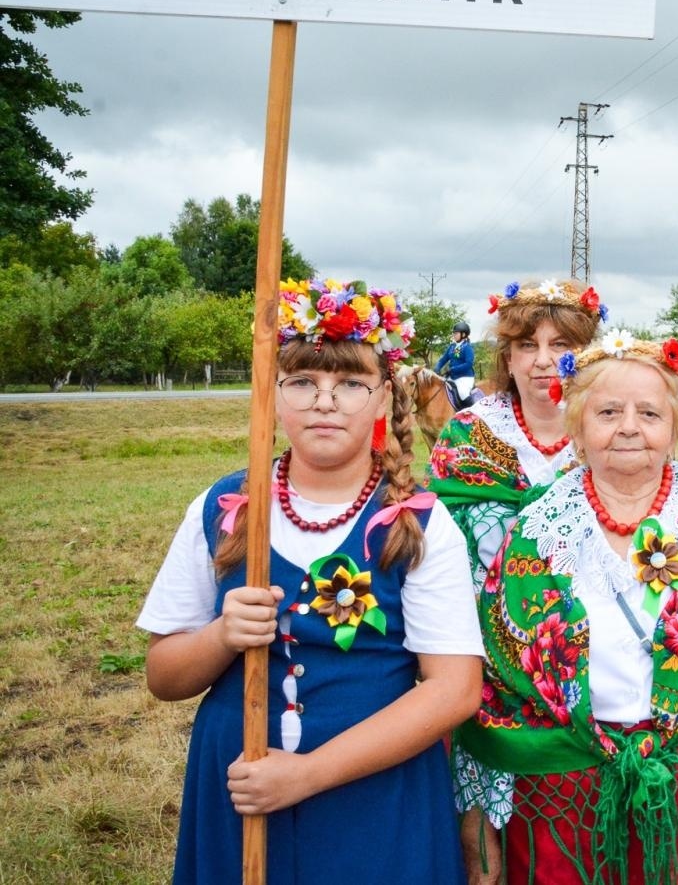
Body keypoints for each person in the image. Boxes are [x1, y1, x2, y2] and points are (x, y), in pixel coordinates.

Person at [137, 278, 484, 883]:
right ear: (273, 396)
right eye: (303, 383)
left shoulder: (420, 524)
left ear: (382, 400)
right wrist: (221, 636)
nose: (325, 402)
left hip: (377, 800)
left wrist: (306, 774)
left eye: (350, 384)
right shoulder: (224, 508)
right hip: (242, 787)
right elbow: (164, 675)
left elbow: (453, 691)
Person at [457, 330, 678, 885]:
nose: (628, 426)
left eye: (649, 412)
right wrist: (480, 828)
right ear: (576, 429)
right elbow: (496, 688)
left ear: (674, 428)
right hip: (559, 805)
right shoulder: (534, 532)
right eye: (607, 411)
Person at [428, 277, 605, 883]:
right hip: (485, 648)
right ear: (506, 356)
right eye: (526, 345)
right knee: (483, 843)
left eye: (560, 344)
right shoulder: (469, 435)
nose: (542, 360)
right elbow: (440, 547)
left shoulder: (608, 428)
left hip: (591, 652)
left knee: (572, 827)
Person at [437, 322, 478, 410]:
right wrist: (437, 368)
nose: (454, 335)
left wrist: (453, 369)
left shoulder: (467, 348)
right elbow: (443, 359)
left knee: (463, 393)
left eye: (456, 333)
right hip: (452, 377)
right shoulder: (452, 347)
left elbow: (468, 364)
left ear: (463, 334)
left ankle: (474, 412)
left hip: (465, 378)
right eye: (454, 333)